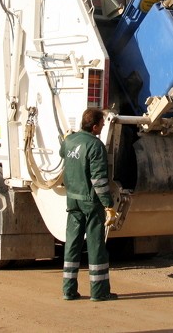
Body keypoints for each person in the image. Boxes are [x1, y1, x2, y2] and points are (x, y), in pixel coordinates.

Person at [60, 108, 119, 301]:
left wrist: (67, 138)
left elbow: (63, 152)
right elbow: (99, 180)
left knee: (72, 244)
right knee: (95, 247)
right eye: (102, 124)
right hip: (91, 203)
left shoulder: (69, 141)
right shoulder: (96, 146)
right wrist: (108, 205)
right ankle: (99, 292)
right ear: (94, 126)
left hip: (73, 200)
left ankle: (68, 291)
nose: (103, 126)